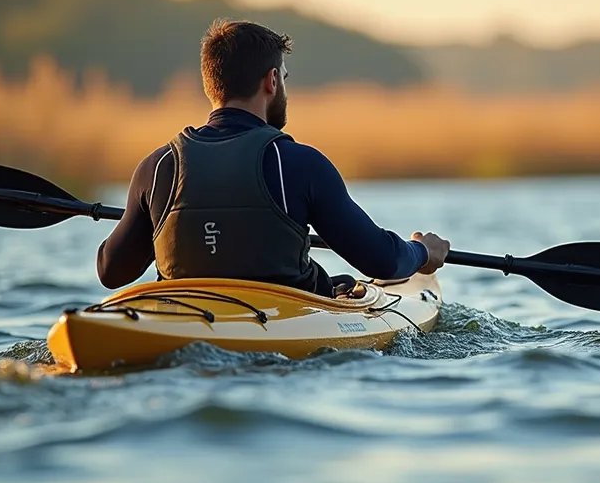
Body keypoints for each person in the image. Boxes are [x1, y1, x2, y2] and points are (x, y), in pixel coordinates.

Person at [96, 19, 449, 296]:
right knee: (340, 285)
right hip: (277, 325)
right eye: (284, 77)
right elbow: (385, 261)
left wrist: (153, 223)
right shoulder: (297, 163)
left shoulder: (157, 168)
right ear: (272, 81)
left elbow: (111, 273)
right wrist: (421, 252)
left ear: (210, 86)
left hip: (178, 317)